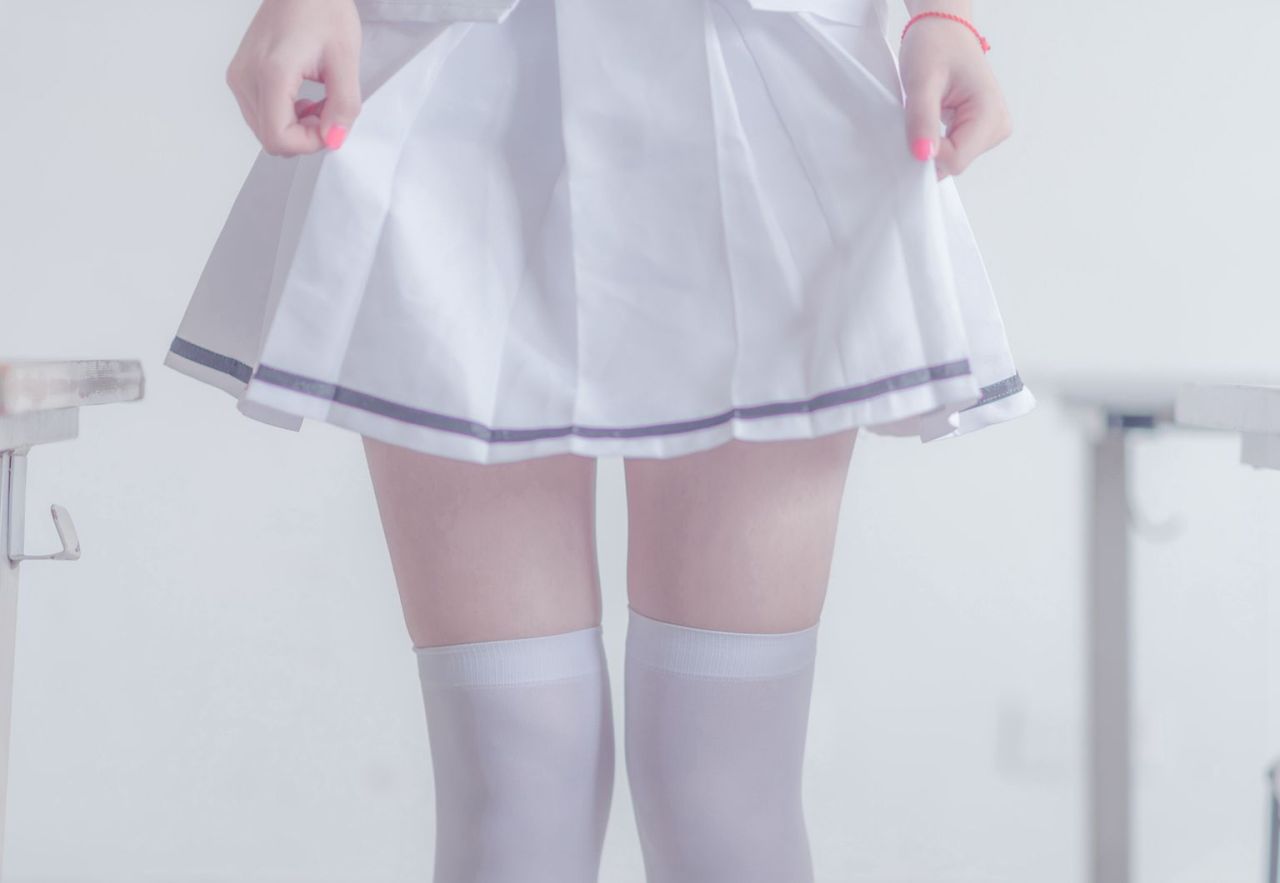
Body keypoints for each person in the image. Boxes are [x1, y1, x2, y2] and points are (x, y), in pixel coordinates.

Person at [163, 0, 1034, 879]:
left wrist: (943, 14)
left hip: (757, 76)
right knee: (515, 774)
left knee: (725, 782)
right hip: (462, 86)